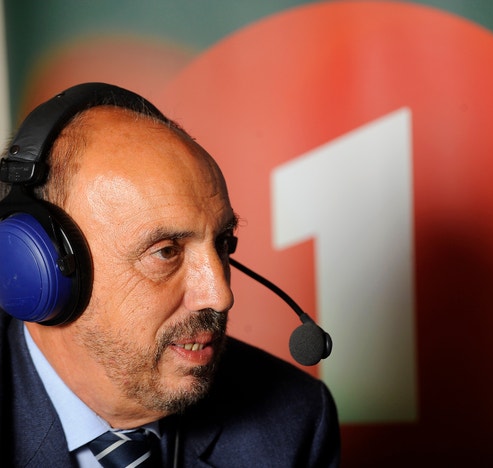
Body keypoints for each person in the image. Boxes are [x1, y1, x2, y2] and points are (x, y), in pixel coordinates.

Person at [0, 83, 340, 467]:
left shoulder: (294, 420)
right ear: (35, 269)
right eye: (166, 251)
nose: (220, 295)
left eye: (223, 242)